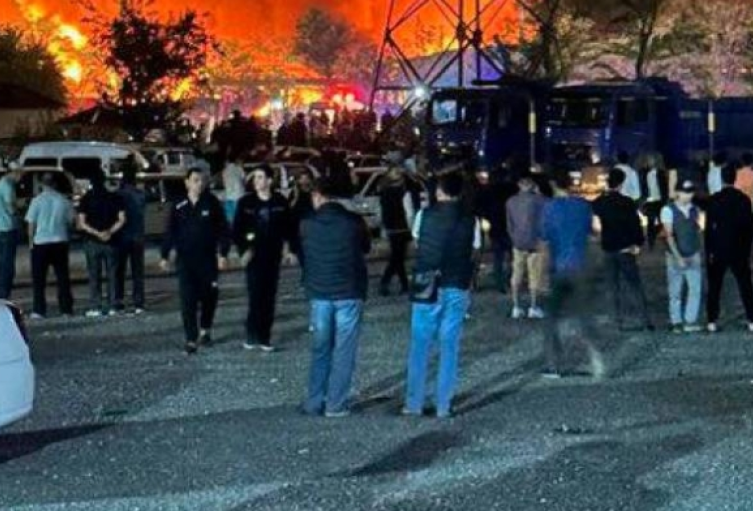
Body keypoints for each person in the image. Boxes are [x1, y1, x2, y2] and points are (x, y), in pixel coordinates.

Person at [404, 172, 481, 419]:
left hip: (427, 282)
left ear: (439, 191)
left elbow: (418, 243)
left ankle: (414, 403)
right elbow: (475, 250)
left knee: (420, 344)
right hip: (457, 283)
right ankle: (443, 405)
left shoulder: (424, 215)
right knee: (449, 345)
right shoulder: (471, 220)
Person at [301, 177, 371, 418]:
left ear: (318, 196)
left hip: (319, 292)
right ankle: (335, 404)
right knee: (344, 350)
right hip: (349, 291)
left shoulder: (307, 223)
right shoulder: (354, 222)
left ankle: (314, 401)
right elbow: (366, 248)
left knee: (321, 349)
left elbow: (304, 252)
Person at [161, 168, 230, 354]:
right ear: (187, 182)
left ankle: (205, 329)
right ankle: (191, 338)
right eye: (195, 180)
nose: (199, 184)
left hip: (207, 259)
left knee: (209, 296)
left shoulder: (211, 202)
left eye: (202, 180)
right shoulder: (179, 204)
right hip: (185, 260)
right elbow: (170, 231)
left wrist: (223, 254)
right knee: (187, 299)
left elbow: (223, 229)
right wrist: (164, 255)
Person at [540, 173, 602, 379]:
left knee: (552, 317)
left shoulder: (549, 208)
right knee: (584, 315)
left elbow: (545, 241)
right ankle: (594, 356)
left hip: (559, 268)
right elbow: (592, 233)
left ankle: (555, 365)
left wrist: (543, 274)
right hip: (581, 266)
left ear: (553, 184)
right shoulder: (583, 205)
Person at [235, 165, 294, 352]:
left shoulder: (279, 201)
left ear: (269, 180)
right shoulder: (246, 203)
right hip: (254, 255)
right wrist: (244, 250)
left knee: (269, 297)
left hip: (273, 254)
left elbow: (289, 227)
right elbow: (237, 229)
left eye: (260, 177)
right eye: (255, 178)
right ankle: (251, 333)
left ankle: (264, 337)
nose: (257, 181)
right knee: (255, 295)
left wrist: (288, 249)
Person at [593, 169, 653, 331]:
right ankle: (645, 320)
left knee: (613, 287)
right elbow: (635, 225)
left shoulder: (601, 202)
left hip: (609, 248)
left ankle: (616, 321)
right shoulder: (627, 202)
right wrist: (638, 243)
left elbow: (594, 214)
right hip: (626, 249)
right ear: (621, 184)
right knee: (634, 286)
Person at [705, 165, 753, 333]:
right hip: (739, 248)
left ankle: (712, 320)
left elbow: (709, 229)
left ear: (721, 179)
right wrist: (747, 250)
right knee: (745, 285)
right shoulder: (744, 200)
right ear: (735, 178)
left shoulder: (714, 200)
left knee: (715, 286)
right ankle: (751, 319)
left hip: (719, 248)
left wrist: (709, 251)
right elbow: (749, 228)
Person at [25, 173, 76, 319]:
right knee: (62, 277)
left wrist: (30, 243)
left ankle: (39, 309)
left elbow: (31, 224)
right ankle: (66, 309)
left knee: (39, 279)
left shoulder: (37, 201)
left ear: (42, 184)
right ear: (55, 184)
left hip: (41, 242)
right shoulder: (64, 200)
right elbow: (71, 221)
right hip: (60, 241)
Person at [77, 170, 126, 317]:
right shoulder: (114, 197)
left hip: (92, 241)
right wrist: (109, 232)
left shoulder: (86, 199)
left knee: (94, 275)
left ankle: (95, 306)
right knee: (113, 275)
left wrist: (97, 233)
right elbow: (122, 219)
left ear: (91, 183)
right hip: (112, 240)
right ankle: (113, 305)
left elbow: (82, 223)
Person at [661, 180, 703, 334]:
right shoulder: (668, 210)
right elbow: (669, 235)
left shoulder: (694, 209)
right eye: (686, 192)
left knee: (695, 289)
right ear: (678, 192)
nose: (688, 195)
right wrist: (677, 256)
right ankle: (676, 321)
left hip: (693, 253)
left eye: (690, 192)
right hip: (675, 256)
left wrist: (697, 251)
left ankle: (689, 321)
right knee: (675, 290)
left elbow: (695, 230)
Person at [506, 174, 548, 319]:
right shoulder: (539, 200)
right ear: (532, 186)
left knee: (516, 274)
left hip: (517, 243)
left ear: (519, 185)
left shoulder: (510, 201)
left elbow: (509, 225)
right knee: (534, 275)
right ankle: (533, 307)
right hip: (535, 243)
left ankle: (516, 307)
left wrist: (514, 238)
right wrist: (539, 192)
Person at [474, 168, 518, 293]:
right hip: (510, 224)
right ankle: (511, 278)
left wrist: (485, 220)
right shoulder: (511, 189)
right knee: (512, 255)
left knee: (498, 256)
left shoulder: (487, 190)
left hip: (495, 225)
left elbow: (480, 208)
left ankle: (499, 281)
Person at [115, 164, 147, 314]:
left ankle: (118, 300)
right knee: (137, 272)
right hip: (137, 235)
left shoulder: (118, 195)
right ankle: (138, 302)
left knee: (119, 271)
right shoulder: (141, 195)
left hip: (121, 236)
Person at [378, 166, 415, 296]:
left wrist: (383, 227)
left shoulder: (384, 193)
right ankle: (387, 281)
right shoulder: (404, 193)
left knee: (397, 257)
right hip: (402, 228)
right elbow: (409, 213)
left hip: (391, 228)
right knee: (397, 258)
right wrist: (411, 229)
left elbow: (381, 212)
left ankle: (402, 284)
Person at [640, 154, 669, 250]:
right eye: (649, 161)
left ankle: (659, 236)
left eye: (651, 161)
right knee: (650, 222)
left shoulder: (660, 173)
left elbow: (665, 187)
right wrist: (643, 200)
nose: (650, 163)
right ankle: (651, 242)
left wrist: (665, 199)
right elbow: (643, 188)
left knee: (662, 222)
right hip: (650, 202)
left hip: (660, 201)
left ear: (655, 162)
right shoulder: (645, 174)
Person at [0, 165, 21, 299]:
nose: (21, 177)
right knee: (7, 264)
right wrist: (19, 211)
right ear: (15, 172)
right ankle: (4, 294)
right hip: (7, 228)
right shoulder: (7, 185)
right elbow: (10, 206)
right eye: (20, 174)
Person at [288, 168, 315, 269]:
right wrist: (295, 197)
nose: (304, 181)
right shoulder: (295, 192)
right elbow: (289, 208)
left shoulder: (313, 192)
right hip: (297, 224)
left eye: (306, 178)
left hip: (310, 225)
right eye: (302, 179)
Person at [222, 157, 246, 224]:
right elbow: (244, 181)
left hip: (228, 197)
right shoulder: (239, 169)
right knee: (238, 219)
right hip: (238, 196)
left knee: (229, 219)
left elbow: (224, 183)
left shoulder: (224, 171)